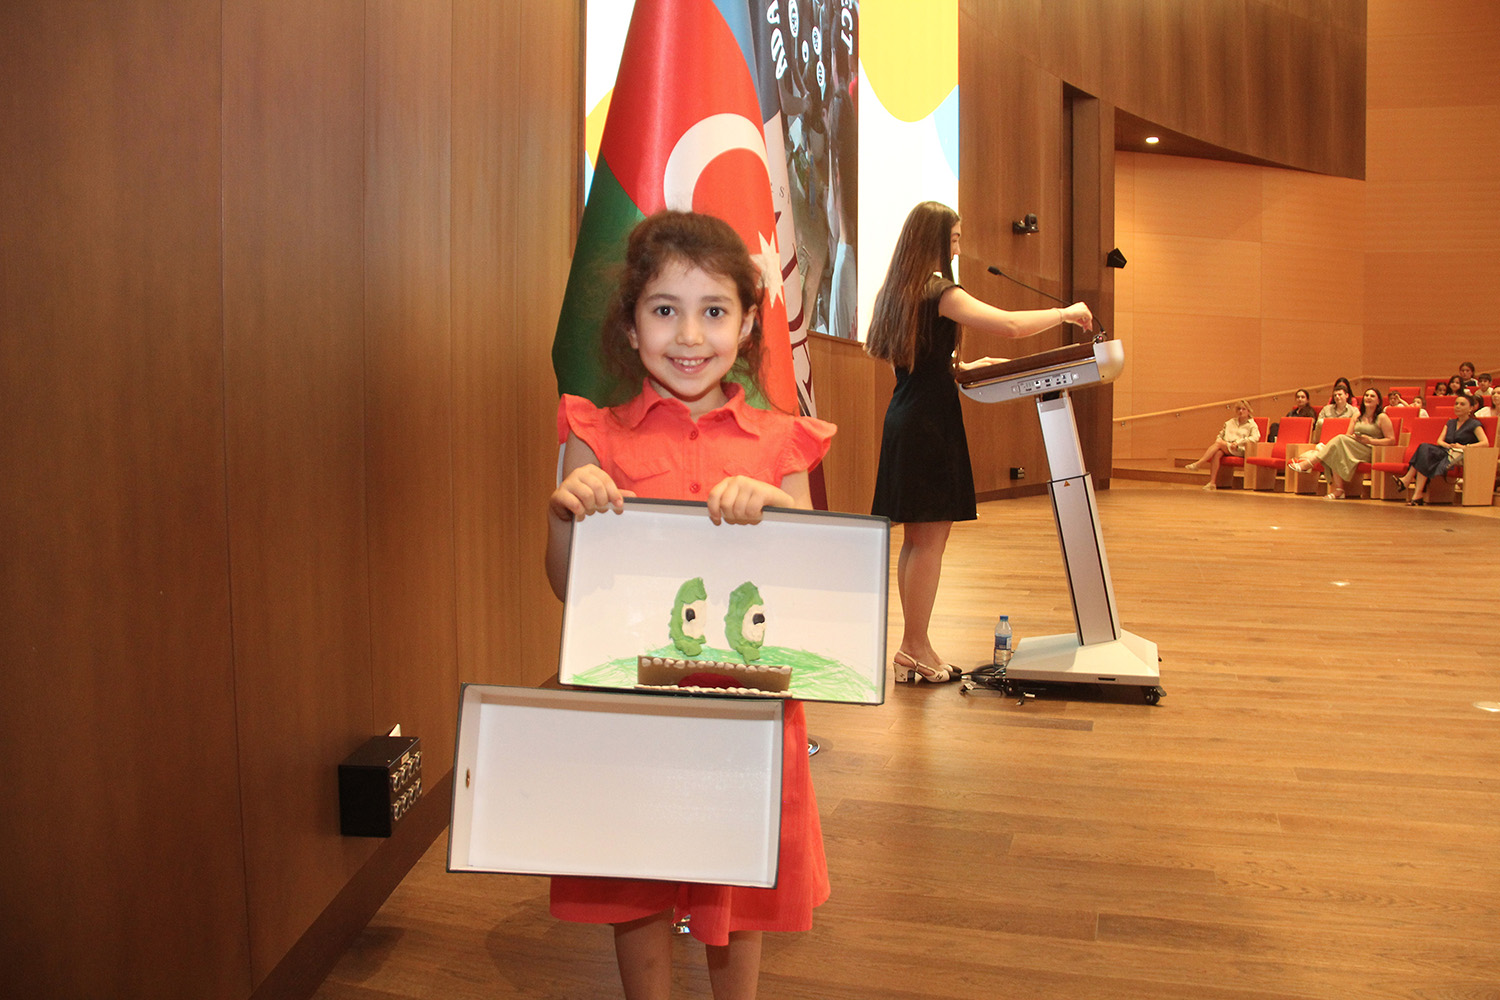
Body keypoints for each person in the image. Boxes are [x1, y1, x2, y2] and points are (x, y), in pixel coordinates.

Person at [546, 211, 834, 1000]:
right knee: (634, 881)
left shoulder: (782, 443)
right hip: (631, 713)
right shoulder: (593, 435)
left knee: (735, 892)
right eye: (664, 309)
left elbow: (815, 592)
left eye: (713, 311)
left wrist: (781, 514)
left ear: (747, 325)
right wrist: (567, 514)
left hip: (747, 715)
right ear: (630, 325)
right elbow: (566, 585)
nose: (689, 335)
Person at [866, 201, 1092, 683]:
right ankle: (914, 645)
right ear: (933, 240)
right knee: (930, 543)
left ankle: (913, 645)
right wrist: (1066, 312)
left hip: (905, 417)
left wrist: (962, 369)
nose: (957, 249)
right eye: (953, 239)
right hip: (930, 425)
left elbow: (917, 361)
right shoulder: (939, 290)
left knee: (916, 542)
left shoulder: (898, 291)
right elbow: (1009, 326)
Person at [1289, 388, 1396, 499]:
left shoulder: (1382, 417)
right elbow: (1348, 436)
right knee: (1337, 449)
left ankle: (1309, 463)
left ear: (1378, 401)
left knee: (1339, 440)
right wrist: (1356, 438)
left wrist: (1369, 440)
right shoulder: (1357, 415)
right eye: (1366, 395)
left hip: (1373, 450)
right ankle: (1339, 490)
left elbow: (1391, 440)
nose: (1368, 397)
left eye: (1372, 396)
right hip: (1355, 447)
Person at [1394, 392, 1489, 505]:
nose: (1458, 406)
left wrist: (1464, 447)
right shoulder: (1451, 422)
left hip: (1457, 455)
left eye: (1462, 404)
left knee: (1424, 451)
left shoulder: (1474, 424)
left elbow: (1485, 443)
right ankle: (1416, 494)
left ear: (1471, 408)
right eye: (1456, 404)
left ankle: (1408, 482)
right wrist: (1447, 445)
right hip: (1445, 450)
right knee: (1424, 449)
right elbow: (1439, 441)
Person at [1185, 399, 1260, 490]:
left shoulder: (1252, 424)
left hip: (1241, 449)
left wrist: (1238, 442)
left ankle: (1199, 463)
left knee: (1219, 444)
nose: (1241, 411)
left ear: (1248, 410)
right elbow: (1220, 436)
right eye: (1239, 409)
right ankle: (1212, 483)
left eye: (1244, 409)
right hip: (1227, 446)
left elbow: (1255, 438)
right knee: (1217, 453)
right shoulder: (1230, 423)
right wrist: (1221, 441)